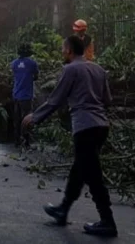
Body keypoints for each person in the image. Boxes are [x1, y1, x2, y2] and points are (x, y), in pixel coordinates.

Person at [24, 34, 115, 238]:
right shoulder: (99, 69)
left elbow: (56, 99)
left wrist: (35, 117)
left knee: (93, 175)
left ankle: (108, 221)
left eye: (63, 49)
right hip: (101, 126)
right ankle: (63, 209)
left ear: (70, 51)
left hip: (84, 127)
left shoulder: (70, 69)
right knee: (79, 169)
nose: (62, 52)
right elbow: (107, 100)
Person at [10, 43, 40, 147]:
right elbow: (36, 76)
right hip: (26, 96)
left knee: (17, 119)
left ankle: (16, 141)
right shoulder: (32, 63)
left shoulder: (13, 63)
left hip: (16, 95)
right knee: (27, 119)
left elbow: (14, 75)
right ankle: (27, 142)